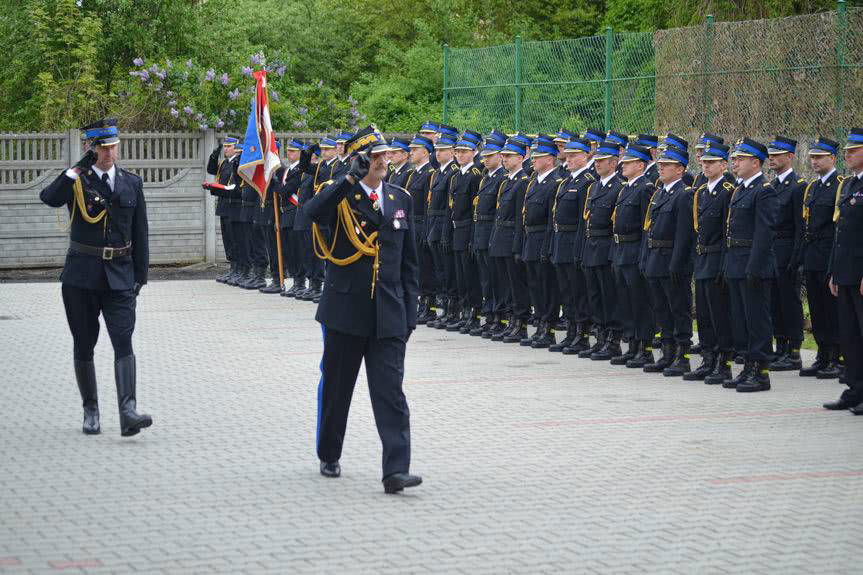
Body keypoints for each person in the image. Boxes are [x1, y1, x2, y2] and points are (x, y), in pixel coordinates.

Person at [304, 126, 421, 494]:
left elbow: (410, 264)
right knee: (338, 388)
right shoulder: (337, 195)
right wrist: (348, 178)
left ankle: (395, 470)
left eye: (386, 154)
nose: (385, 160)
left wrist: (410, 314)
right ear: (359, 160)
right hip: (345, 310)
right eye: (376, 156)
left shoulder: (400, 198)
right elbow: (307, 215)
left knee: (391, 393)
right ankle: (329, 452)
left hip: (388, 313)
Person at [39, 119, 152, 437]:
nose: (109, 153)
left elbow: (140, 231)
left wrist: (140, 276)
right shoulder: (76, 181)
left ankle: (128, 411)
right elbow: (49, 197)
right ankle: (91, 409)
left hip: (120, 276)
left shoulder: (131, 182)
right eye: (102, 147)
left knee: (123, 340)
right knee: (84, 342)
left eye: (113, 146)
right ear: (91, 148)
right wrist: (76, 168)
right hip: (81, 276)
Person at [723, 138, 777, 393]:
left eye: (740, 158)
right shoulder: (740, 189)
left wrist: (754, 267)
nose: (735, 162)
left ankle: (761, 372)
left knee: (757, 320)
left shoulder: (764, 190)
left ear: (755, 162)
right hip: (736, 262)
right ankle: (747, 367)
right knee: (741, 320)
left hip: (753, 265)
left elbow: (764, 233)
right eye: (734, 158)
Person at [641, 142, 695, 376]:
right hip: (655, 258)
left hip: (672, 261)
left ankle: (682, 356)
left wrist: (677, 263)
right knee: (661, 309)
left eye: (667, 165)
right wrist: (645, 258)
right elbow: (649, 229)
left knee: (678, 309)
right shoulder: (659, 193)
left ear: (680, 169)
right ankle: (667, 352)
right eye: (660, 164)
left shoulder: (684, 194)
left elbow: (685, 235)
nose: (661, 168)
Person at [687, 143, 736, 384]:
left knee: (719, 315)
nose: (705, 165)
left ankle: (723, 363)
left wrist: (724, 264)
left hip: (717, 259)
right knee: (704, 315)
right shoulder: (702, 192)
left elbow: (728, 231)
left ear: (723, 165)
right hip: (703, 258)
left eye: (711, 162)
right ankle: (708, 359)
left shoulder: (728, 191)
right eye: (704, 162)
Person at [824, 128, 863, 414]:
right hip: (846, 272)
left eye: (853, 150)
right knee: (849, 335)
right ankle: (855, 389)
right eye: (846, 150)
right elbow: (840, 233)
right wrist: (833, 273)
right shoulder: (849, 185)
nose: (847, 154)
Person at [800, 137, 844, 379]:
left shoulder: (839, 185)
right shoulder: (813, 187)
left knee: (832, 308)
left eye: (819, 157)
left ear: (832, 159)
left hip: (828, 254)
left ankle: (836, 356)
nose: (814, 161)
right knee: (817, 307)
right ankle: (822, 353)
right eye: (812, 157)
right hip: (812, 255)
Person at [611, 144, 656, 367]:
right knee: (625, 302)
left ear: (640, 165)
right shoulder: (626, 188)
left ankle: (645, 348)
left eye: (627, 163)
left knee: (639, 302)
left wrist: (642, 256)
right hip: (621, 252)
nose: (623, 166)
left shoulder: (645, 188)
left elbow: (645, 227)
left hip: (634, 251)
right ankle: (632, 345)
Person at [580, 140, 624, 359]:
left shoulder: (618, 187)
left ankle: (613, 339)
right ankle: (600, 335)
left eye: (602, 160)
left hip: (606, 246)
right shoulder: (594, 186)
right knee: (595, 295)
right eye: (595, 160)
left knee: (609, 295)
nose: (597, 164)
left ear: (614, 162)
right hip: (591, 246)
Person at [552, 139, 595, 355]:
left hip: (574, 243)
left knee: (578, 292)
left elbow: (582, 220)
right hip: (561, 242)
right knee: (566, 292)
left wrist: (579, 248)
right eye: (567, 156)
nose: (568, 159)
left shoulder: (587, 181)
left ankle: (582, 334)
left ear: (586, 155)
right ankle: (570, 331)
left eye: (573, 155)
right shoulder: (566, 181)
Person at [520, 136, 564, 348]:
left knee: (547, 287)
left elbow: (550, 219)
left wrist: (547, 246)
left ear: (550, 159)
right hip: (530, 238)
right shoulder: (533, 182)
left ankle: (549, 328)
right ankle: (540, 324)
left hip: (543, 239)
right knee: (535, 286)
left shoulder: (554, 183)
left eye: (538, 157)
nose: (533, 161)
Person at [766, 136, 806, 370]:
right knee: (774, 301)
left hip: (787, 249)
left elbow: (800, 227)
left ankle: (793, 351)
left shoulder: (797, 186)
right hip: (772, 251)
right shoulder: (773, 185)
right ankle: (780, 346)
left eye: (777, 154)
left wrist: (796, 258)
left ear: (790, 156)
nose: (772, 158)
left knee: (789, 301)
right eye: (770, 154)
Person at [490, 139, 531, 343]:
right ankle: (509, 320)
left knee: (516, 284)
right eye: (503, 156)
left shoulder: (523, 181)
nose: (504, 159)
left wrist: (517, 246)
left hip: (510, 240)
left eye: (509, 156)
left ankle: (520, 323)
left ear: (521, 157)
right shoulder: (506, 181)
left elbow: (518, 218)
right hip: (500, 238)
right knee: (504, 284)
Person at [472, 133, 508, 335]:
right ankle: (490, 314)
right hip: (481, 232)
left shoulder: (502, 178)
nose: (486, 160)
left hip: (492, 232)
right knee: (486, 278)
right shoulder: (486, 177)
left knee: (496, 278)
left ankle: (499, 316)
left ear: (500, 156)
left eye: (490, 156)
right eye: (484, 156)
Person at [207, 136, 241, 283]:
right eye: (225, 146)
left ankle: (239, 269)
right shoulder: (224, 163)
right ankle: (232, 268)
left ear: (236, 148)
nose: (226, 149)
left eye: (229, 146)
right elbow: (211, 170)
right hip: (224, 205)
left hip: (234, 205)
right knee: (227, 239)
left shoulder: (239, 162)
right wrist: (214, 155)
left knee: (235, 238)